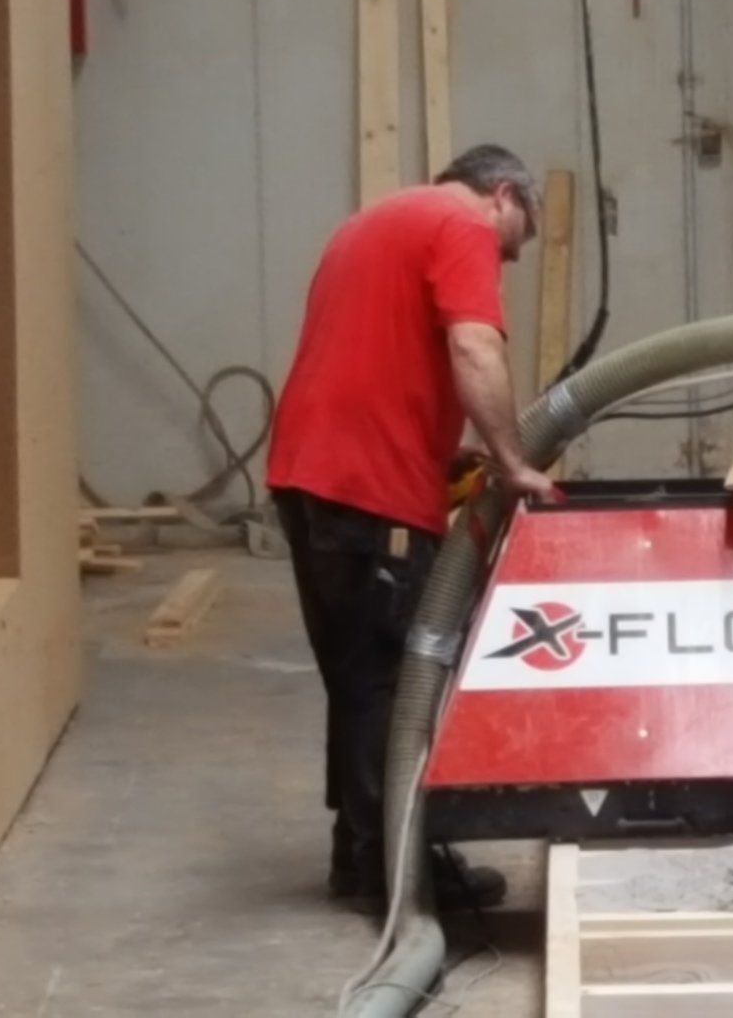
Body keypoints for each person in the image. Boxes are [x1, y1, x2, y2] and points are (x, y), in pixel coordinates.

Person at [267, 144, 557, 910]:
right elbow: (473, 343)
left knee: (357, 679)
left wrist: (440, 448)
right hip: (370, 489)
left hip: (309, 477)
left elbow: (373, 356)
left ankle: (360, 857)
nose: (511, 257)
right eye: (518, 238)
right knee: (398, 682)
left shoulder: (373, 223)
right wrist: (511, 461)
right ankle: (399, 875)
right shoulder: (461, 226)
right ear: (502, 195)